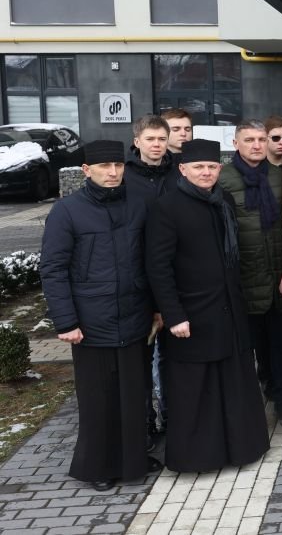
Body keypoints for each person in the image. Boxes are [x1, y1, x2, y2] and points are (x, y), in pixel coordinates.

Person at [40, 140, 161, 492]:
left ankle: (134, 459)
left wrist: (157, 308)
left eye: (118, 166)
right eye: (105, 167)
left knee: (134, 395)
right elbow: (53, 269)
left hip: (135, 316)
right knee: (98, 398)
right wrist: (66, 321)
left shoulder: (138, 204)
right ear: (86, 170)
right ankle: (99, 465)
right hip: (91, 322)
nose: (113, 172)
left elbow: (150, 261)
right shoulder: (67, 211)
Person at [145, 139, 270, 472]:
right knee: (197, 391)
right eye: (198, 167)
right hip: (192, 314)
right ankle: (200, 458)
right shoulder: (167, 207)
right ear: (183, 169)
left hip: (228, 311)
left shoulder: (223, 199)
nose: (206, 172)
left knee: (233, 384)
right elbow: (158, 267)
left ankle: (240, 450)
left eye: (212, 167)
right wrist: (173, 315)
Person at [219, 119, 282, 427]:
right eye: (249, 140)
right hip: (245, 276)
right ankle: (253, 405)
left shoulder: (281, 175)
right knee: (251, 348)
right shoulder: (223, 179)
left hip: (280, 272)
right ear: (235, 143)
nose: (256, 145)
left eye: (260, 139)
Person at [123, 113, 179, 443]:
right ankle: (144, 423)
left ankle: (172, 417)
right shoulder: (124, 177)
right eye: (150, 139)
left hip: (175, 278)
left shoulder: (178, 172)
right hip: (137, 281)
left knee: (173, 357)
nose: (156, 145)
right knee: (140, 360)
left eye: (161, 139)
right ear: (137, 142)